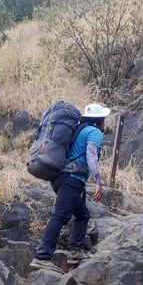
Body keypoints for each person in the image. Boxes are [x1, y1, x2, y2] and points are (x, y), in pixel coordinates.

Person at [30, 103, 110, 273]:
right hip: (72, 179)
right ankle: (42, 257)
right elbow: (91, 154)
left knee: (82, 214)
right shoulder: (94, 132)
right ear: (100, 120)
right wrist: (98, 181)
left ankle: (75, 251)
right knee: (59, 216)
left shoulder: (79, 129)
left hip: (61, 178)